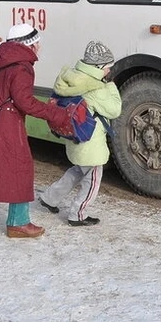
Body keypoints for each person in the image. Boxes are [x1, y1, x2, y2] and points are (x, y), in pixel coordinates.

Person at [0, 23, 72, 238]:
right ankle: (18, 223)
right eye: (37, 43)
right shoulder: (22, 67)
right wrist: (56, 114)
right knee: (20, 169)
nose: (39, 47)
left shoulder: (2, 60)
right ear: (30, 45)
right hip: (8, 125)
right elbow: (25, 102)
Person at [39, 41, 122, 227]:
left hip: (75, 138)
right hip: (90, 144)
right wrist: (111, 87)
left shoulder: (72, 78)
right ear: (99, 68)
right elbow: (115, 110)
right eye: (108, 67)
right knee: (92, 181)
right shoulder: (96, 88)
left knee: (76, 171)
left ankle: (49, 198)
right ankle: (78, 214)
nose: (109, 71)